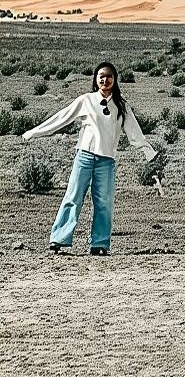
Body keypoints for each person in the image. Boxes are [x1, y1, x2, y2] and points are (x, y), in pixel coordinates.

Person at [23, 61, 159, 256]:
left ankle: (100, 244)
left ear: (115, 79)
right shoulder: (86, 100)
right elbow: (62, 118)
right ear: (96, 79)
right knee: (73, 197)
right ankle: (59, 240)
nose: (105, 79)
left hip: (106, 161)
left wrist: (148, 151)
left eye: (109, 76)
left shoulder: (121, 106)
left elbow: (135, 133)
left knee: (104, 202)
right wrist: (34, 132)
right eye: (101, 76)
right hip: (84, 157)